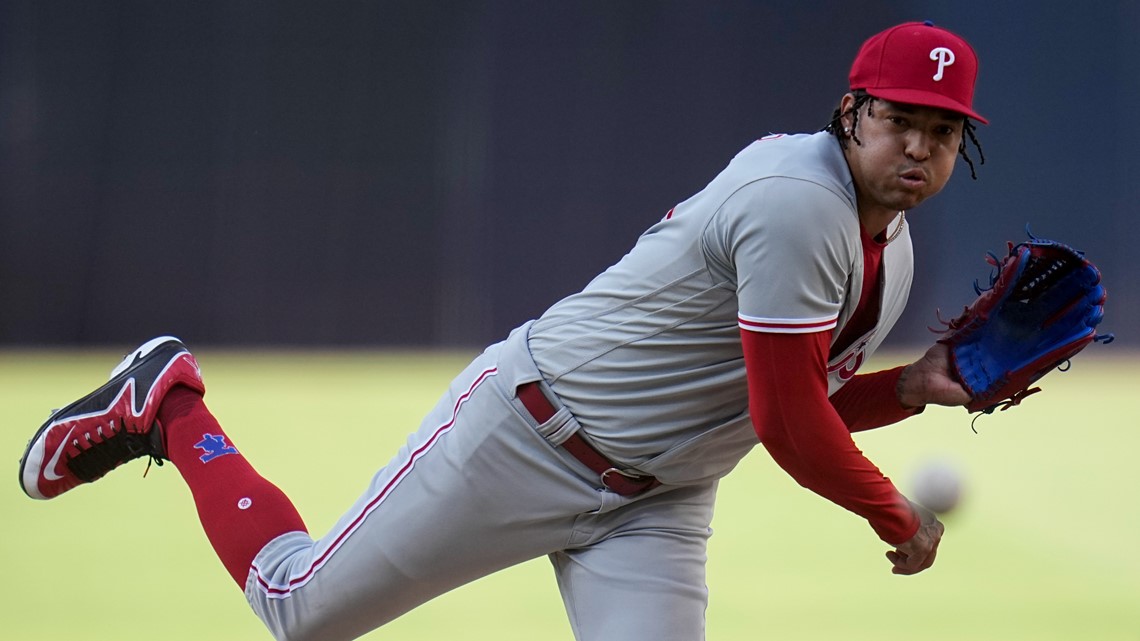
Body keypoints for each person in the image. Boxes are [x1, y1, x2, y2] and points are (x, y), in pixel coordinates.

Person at [19, 20, 986, 641]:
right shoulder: (796, 203)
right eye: (902, 119)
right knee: (298, 610)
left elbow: (790, 403)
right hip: (528, 433)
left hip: (656, 500)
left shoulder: (885, 253)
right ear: (852, 110)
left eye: (943, 133)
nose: (920, 146)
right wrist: (894, 513)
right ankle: (171, 403)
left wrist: (909, 386)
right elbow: (790, 429)